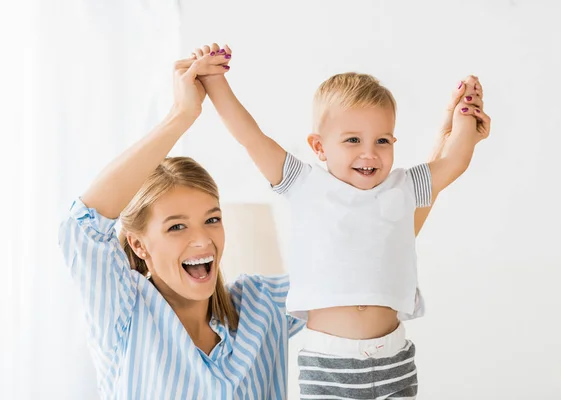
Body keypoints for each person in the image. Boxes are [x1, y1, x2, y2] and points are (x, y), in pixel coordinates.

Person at [194, 43, 491, 399]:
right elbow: (250, 136)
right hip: (329, 363)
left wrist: (464, 116)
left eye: (382, 140)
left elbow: (454, 160)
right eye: (353, 140)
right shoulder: (303, 184)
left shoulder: (403, 186)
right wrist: (214, 81)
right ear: (319, 147)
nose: (370, 152)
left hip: (393, 359)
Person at [58, 50, 305, 399]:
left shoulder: (259, 307)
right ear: (139, 244)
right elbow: (82, 226)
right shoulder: (125, 313)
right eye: (177, 227)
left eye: (212, 219)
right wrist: (182, 115)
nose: (202, 239)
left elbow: (360, 268)